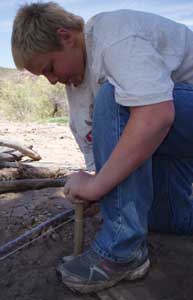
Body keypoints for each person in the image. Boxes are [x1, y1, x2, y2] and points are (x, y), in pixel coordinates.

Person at [11, 2, 193, 294]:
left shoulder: (114, 35)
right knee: (167, 220)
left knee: (118, 98)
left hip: (175, 115)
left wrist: (98, 186)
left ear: (66, 37)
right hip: (178, 136)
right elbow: (99, 151)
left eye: (50, 68)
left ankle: (121, 252)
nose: (53, 80)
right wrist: (101, 188)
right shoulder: (77, 88)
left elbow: (156, 115)